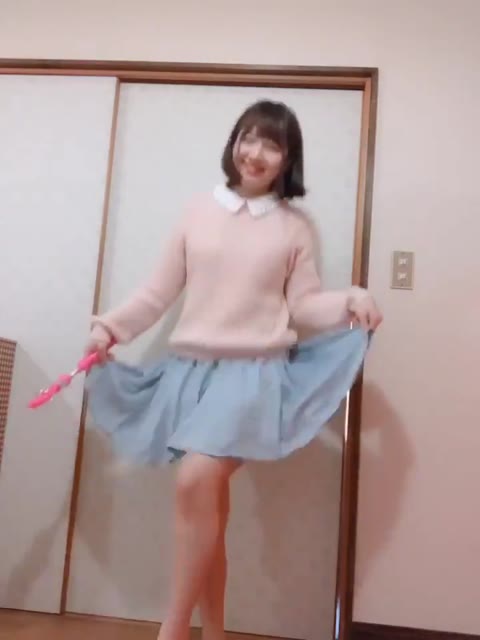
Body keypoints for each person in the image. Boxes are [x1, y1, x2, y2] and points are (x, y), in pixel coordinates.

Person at [84, 99, 382, 640]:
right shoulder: (197, 211)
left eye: (272, 144)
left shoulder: (294, 227)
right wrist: (111, 329)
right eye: (249, 137)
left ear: (288, 158)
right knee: (209, 510)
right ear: (234, 142)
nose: (256, 152)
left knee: (195, 480)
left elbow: (305, 305)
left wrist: (351, 299)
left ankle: (173, 630)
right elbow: (157, 293)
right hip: (190, 373)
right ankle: (215, 632)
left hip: (254, 377)